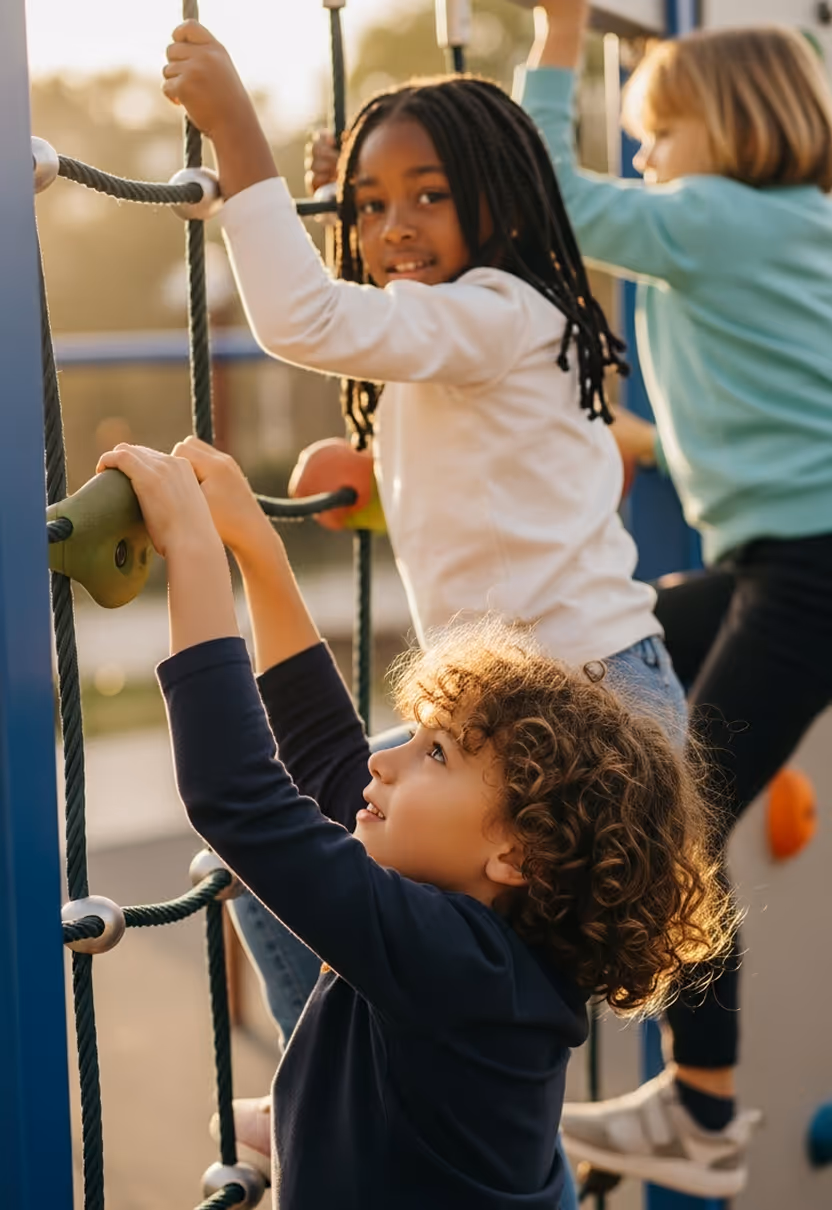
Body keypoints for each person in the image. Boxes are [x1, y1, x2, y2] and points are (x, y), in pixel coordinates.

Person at [159, 19, 692, 1194]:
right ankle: (343, 1087)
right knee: (329, 872)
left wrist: (236, 136)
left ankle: (376, 1109)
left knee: (337, 874)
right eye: (367, 204)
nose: (393, 227)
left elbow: (307, 323)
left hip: (582, 701)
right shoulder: (473, 326)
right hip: (534, 700)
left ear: (499, 197)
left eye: (428, 195)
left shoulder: (497, 311)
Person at [96, 435, 734, 1210]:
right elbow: (329, 759)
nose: (384, 762)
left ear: (516, 851)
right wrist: (256, 548)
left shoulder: (459, 968)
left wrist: (192, 548)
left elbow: (242, 798)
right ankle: (321, 1109)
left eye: (435, 755)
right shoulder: (492, 942)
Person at [515, 0, 832, 1196]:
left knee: (678, 821)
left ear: (731, 129)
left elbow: (553, 198)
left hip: (805, 566)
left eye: (656, 135)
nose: (644, 158)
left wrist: (554, 45)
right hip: (779, 560)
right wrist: (632, 437)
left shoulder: (713, 219)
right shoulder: (800, 222)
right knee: (621, 656)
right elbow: (774, 396)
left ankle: (700, 1109)